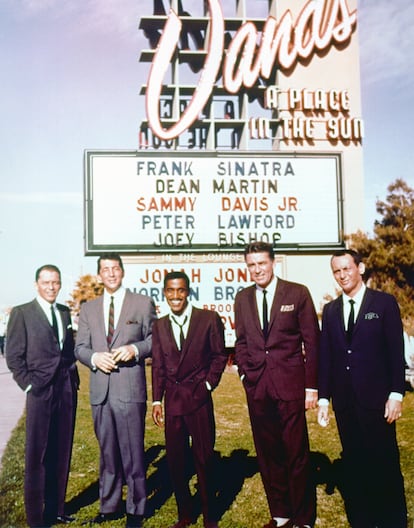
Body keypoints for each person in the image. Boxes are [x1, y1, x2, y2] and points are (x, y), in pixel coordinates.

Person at [318, 249, 407, 528]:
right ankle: (363, 520)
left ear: (361, 268)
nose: (342, 275)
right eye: (337, 271)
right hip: (345, 403)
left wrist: (396, 394)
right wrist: (323, 398)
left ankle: (392, 520)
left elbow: (395, 351)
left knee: (385, 465)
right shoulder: (331, 311)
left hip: (378, 402)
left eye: (347, 268)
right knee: (355, 467)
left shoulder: (383, 304)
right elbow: (327, 358)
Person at [234, 241, 319, 528]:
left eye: (262, 263)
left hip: (290, 386)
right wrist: (246, 375)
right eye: (251, 265)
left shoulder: (297, 293)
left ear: (273, 262)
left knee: (296, 453)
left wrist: (311, 387)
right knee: (268, 454)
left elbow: (312, 342)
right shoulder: (242, 298)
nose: (257, 269)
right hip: (258, 388)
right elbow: (241, 342)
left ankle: (303, 518)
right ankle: (281, 514)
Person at [75, 253, 156, 528]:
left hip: (130, 389)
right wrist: (95, 359)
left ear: (122, 271)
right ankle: (109, 506)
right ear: (99, 274)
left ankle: (136, 508)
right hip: (101, 391)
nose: (110, 274)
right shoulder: (88, 309)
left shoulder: (142, 303)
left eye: (115, 269)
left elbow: (155, 339)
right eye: (105, 269)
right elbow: (80, 348)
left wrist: (134, 349)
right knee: (107, 452)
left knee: (133, 451)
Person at [152, 271, 228, 528]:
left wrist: (207, 384)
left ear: (188, 291)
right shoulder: (159, 325)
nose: (176, 296)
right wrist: (156, 400)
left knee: (204, 457)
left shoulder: (207, 319)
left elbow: (219, 356)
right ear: (164, 292)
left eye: (181, 290)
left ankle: (209, 514)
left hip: (199, 399)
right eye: (171, 291)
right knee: (176, 459)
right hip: (173, 401)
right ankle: (185, 513)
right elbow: (158, 367)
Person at [6, 264, 79, 528]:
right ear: (37, 284)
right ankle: (37, 518)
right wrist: (28, 385)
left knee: (62, 451)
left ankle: (56, 509)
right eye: (46, 282)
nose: (51, 287)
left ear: (60, 284)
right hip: (39, 391)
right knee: (37, 454)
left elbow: (66, 351)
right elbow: (13, 356)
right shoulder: (22, 313)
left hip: (65, 390)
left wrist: (73, 380)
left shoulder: (64, 311)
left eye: (55, 283)